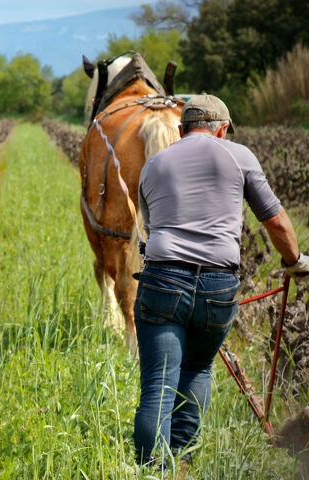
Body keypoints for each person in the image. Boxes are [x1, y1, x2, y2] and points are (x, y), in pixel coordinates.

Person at [132, 94, 309, 473]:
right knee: (196, 370)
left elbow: (148, 232)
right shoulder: (238, 155)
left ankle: (152, 472)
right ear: (223, 129)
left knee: (158, 387)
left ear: (181, 130)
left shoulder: (153, 164)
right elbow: (275, 222)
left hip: (163, 281)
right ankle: (181, 462)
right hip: (218, 286)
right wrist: (295, 263)